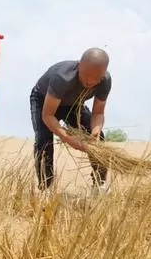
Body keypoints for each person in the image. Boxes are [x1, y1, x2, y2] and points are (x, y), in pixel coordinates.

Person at [29, 47, 111, 193]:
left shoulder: (105, 81)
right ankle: (45, 188)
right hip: (44, 101)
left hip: (73, 104)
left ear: (103, 74)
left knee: (99, 141)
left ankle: (99, 185)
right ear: (79, 65)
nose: (89, 82)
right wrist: (67, 138)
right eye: (86, 75)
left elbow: (98, 113)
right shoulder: (62, 77)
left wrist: (95, 131)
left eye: (96, 78)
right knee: (44, 141)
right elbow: (48, 115)